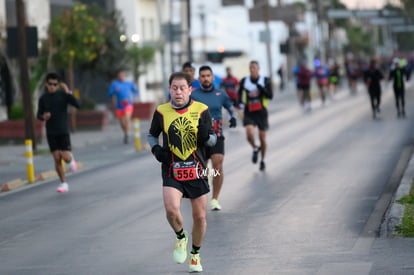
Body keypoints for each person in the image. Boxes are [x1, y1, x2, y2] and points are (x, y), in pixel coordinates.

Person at [147, 72, 216, 273]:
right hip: (172, 168)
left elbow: (213, 138)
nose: (178, 92)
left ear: (189, 89)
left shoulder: (201, 109)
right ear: (169, 89)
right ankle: (180, 237)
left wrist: (206, 138)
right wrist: (156, 150)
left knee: (200, 218)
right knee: (171, 210)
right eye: (174, 88)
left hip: (197, 170)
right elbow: (152, 135)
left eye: (182, 88)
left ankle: (195, 254)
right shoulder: (161, 112)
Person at [192, 65, 237, 211]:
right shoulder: (193, 95)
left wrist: (233, 117)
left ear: (212, 77)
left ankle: (215, 199)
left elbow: (230, 107)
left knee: (218, 163)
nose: (205, 78)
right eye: (203, 76)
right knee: (202, 168)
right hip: (199, 137)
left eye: (208, 76)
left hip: (217, 134)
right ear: (199, 79)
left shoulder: (220, 94)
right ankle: (206, 180)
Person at [36, 72, 80, 193]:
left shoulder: (63, 95)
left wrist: (69, 93)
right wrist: (43, 116)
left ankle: (71, 160)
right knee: (56, 158)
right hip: (51, 132)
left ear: (58, 85)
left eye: (55, 84)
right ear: (46, 84)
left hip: (63, 130)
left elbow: (77, 104)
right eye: (50, 84)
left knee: (65, 157)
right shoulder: (43, 98)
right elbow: (38, 115)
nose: (52, 86)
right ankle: (63, 183)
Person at [238, 61, 273, 171]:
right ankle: (255, 148)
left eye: (254, 67)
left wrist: (262, 88)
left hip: (261, 112)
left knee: (262, 137)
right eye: (250, 67)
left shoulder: (265, 80)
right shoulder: (244, 81)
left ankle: (262, 160)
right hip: (249, 111)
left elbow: (270, 96)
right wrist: (239, 103)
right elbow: (239, 94)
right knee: (249, 133)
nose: (252, 69)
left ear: (258, 69)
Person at [108, 69, 139, 144]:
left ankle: (127, 135)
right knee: (122, 123)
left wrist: (135, 97)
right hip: (119, 106)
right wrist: (113, 91)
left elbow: (135, 91)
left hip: (128, 104)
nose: (121, 77)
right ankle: (125, 133)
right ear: (117, 76)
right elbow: (110, 94)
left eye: (122, 75)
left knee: (127, 119)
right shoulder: (115, 84)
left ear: (125, 76)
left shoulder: (129, 83)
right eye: (120, 75)